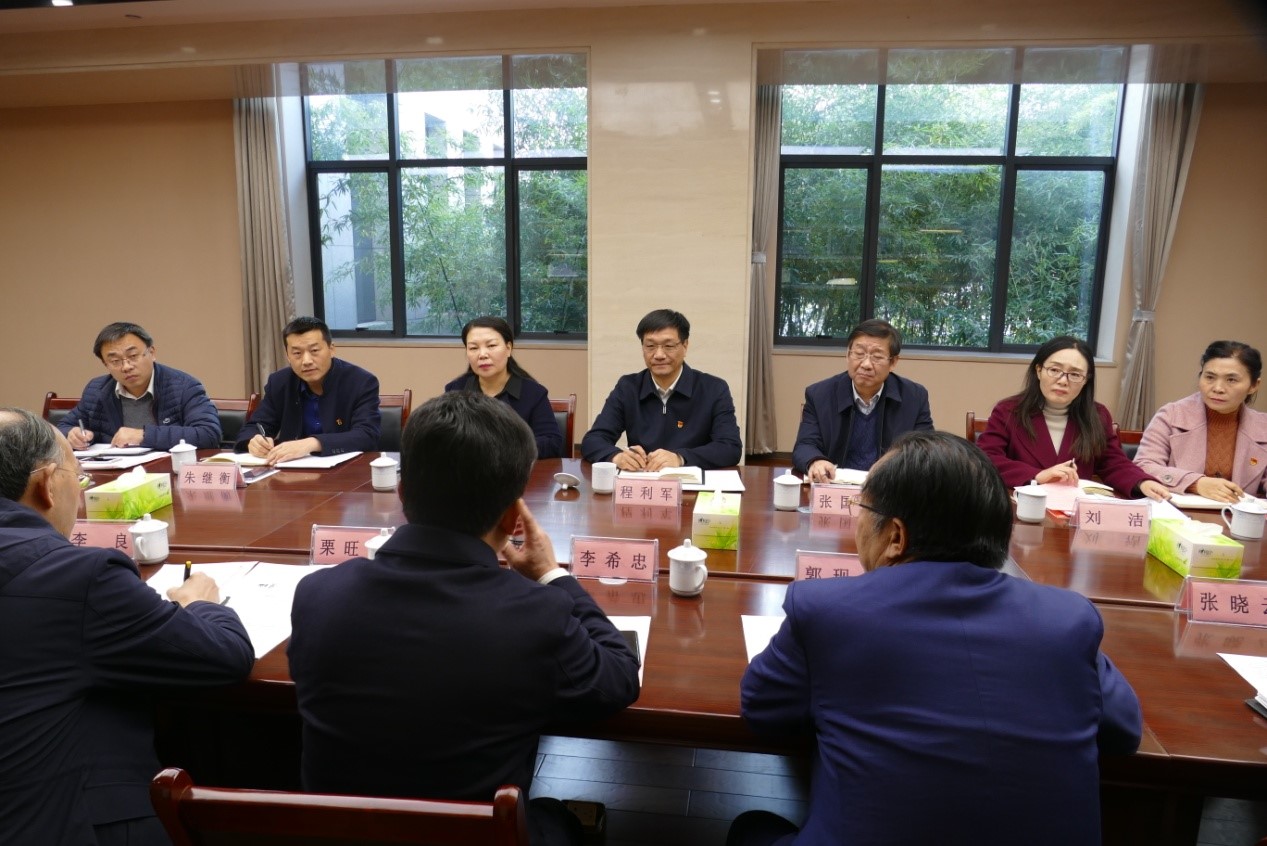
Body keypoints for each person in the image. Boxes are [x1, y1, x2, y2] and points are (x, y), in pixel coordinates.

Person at [734, 431, 1142, 846]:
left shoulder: (826, 609)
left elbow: (762, 708)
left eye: (861, 507)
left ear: (896, 536)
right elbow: (1125, 730)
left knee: (750, 828)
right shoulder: (1067, 620)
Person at [288, 391, 640, 845]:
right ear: (514, 517)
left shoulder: (317, 595)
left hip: (341, 834)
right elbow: (618, 678)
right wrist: (552, 575)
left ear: (402, 495)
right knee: (558, 818)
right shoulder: (535, 615)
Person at [0, 408, 254, 846]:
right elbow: (224, 656)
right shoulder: (78, 578)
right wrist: (200, 605)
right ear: (46, 484)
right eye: (78, 478)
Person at [977, 336, 1169, 499]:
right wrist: (1038, 475)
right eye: (1054, 370)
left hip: (1073, 513)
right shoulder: (1008, 411)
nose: (1063, 381)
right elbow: (986, 458)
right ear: (1039, 370)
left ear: (1086, 380)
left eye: (1075, 374)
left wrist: (1141, 482)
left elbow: (1113, 463)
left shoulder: (1097, 416)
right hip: (1022, 508)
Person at [580, 309, 742, 470]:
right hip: (643, 480)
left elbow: (730, 447)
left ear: (685, 346)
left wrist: (680, 458)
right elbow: (593, 440)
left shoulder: (713, 389)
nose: (659, 355)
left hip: (693, 482)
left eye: (669, 346)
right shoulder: (628, 387)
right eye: (650, 346)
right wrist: (616, 456)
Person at [792, 319, 933, 480]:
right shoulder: (819, 395)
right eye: (859, 354)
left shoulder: (915, 397)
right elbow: (805, 445)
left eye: (877, 357)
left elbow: (926, 451)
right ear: (848, 355)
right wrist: (815, 461)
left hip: (888, 486)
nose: (866, 364)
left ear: (893, 362)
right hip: (835, 484)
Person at [235, 316, 381, 463]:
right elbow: (254, 427)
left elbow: (367, 435)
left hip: (347, 470)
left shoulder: (361, 382)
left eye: (314, 350)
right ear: (288, 356)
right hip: (291, 471)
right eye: (297, 353)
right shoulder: (280, 382)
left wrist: (312, 443)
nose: (306, 361)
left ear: (331, 349)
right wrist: (253, 442)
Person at [1135, 340, 1267, 501]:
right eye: (1210, 377)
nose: (1218, 388)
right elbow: (1143, 466)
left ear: (1254, 385)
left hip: (1239, 515)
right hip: (1177, 511)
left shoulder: (1263, 427)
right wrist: (1196, 483)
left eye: (1231, 380)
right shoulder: (1171, 415)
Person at [58, 321, 221, 451]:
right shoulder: (97, 390)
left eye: (133, 356)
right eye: (115, 361)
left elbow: (208, 433)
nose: (126, 366)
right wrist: (72, 435)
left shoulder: (184, 386)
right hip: (115, 475)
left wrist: (143, 436)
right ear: (105, 364)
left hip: (166, 474)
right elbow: (62, 427)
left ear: (152, 353)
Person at [444, 316, 563, 459]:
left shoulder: (533, 393)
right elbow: (443, 440)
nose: (482, 355)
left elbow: (552, 443)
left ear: (508, 348)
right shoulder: (455, 390)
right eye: (474, 348)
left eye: (491, 346)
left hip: (516, 470)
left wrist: (502, 448)